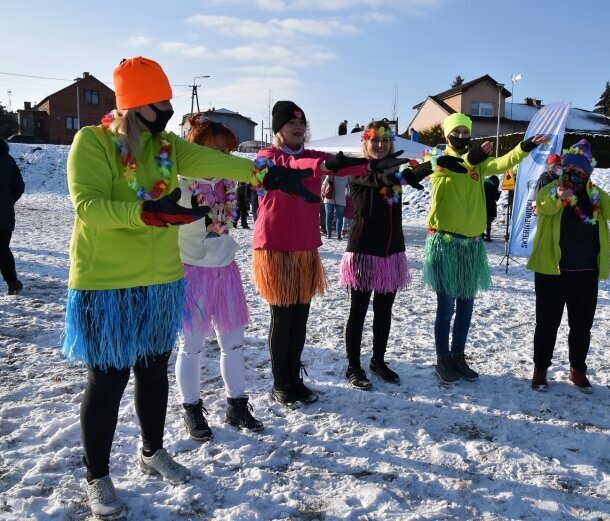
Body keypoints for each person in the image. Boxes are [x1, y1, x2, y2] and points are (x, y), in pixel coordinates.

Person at [61, 57, 312, 520]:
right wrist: (145, 214)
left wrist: (269, 174)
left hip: (161, 281)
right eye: (160, 102)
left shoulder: (166, 147)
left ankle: (152, 451)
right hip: (107, 284)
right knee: (109, 379)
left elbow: (217, 161)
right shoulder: (91, 142)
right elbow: (89, 207)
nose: (169, 110)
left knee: (153, 372)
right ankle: (97, 475)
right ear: (135, 103)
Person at [253, 101, 407, 408]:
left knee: (300, 317)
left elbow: (340, 164)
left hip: (306, 246)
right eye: (290, 124)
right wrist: (322, 166)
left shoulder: (311, 155)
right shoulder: (267, 156)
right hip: (275, 246)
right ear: (278, 129)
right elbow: (295, 167)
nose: (298, 128)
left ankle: (295, 379)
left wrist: (369, 165)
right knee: (282, 318)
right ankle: (280, 382)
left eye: (301, 124)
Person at [340, 121, 467, 389]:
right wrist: (430, 165)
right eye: (375, 140)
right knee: (358, 311)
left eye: (385, 141)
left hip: (391, 252)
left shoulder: (393, 170)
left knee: (384, 310)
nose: (380, 145)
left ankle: (378, 360)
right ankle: (353, 365)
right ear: (366, 142)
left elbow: (397, 179)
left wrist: (417, 170)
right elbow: (386, 179)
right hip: (364, 251)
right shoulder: (359, 170)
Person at [424, 112, 549, 383]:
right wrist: (474, 157)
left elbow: (505, 162)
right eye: (455, 133)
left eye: (465, 133)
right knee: (445, 308)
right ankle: (442, 359)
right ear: (447, 134)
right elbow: (454, 166)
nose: (460, 137)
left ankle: (458, 356)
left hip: (471, 247)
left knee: (466, 307)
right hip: (445, 244)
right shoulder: (438, 161)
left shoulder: (479, 165)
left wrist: (525, 146)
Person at [528, 139, 610, 393]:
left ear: (587, 172)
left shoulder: (596, 193)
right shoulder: (550, 188)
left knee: (582, 325)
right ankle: (540, 370)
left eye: (578, 171)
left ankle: (577, 369)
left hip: (586, 272)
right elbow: (543, 204)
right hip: (551, 271)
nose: (572, 174)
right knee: (547, 324)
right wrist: (558, 196)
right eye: (568, 169)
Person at [174, 115, 263, 442]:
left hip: (225, 269)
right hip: (192, 271)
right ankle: (191, 407)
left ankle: (237, 404)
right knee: (192, 346)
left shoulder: (228, 182)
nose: (224, 159)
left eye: (228, 152)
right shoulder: (178, 184)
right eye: (216, 152)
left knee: (233, 342)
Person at [0, 137, 24, 295]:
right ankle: (13, 283)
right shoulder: (7, 160)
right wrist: (8, 201)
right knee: (2, 250)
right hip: (3, 215)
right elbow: (18, 186)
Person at [323, 173, 349, 240]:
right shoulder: (346, 176)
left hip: (329, 197)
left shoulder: (331, 174)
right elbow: (349, 191)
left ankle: (329, 234)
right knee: (339, 218)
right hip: (341, 199)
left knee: (329, 216)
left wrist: (322, 194)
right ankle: (339, 235)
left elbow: (325, 184)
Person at [482, 175, 501, 242]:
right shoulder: (494, 187)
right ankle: (488, 237)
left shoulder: (483, 185)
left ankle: (481, 234)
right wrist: (499, 193)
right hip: (491, 207)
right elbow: (496, 198)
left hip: (483, 206)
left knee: (482, 221)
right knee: (489, 222)